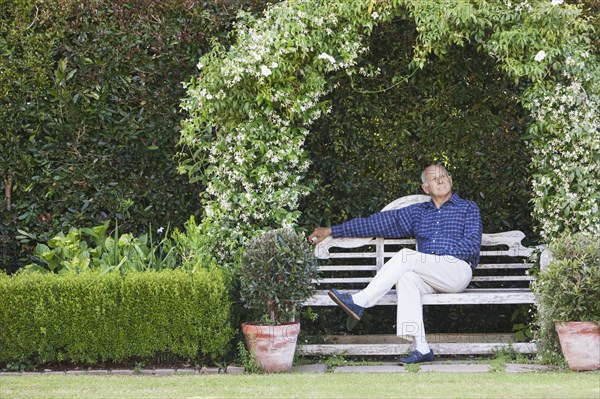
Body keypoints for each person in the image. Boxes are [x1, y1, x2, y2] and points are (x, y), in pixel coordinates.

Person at [308, 164, 482, 364]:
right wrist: (332, 230)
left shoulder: (468, 208)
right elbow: (373, 223)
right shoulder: (418, 212)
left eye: (443, 176)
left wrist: (434, 258)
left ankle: (361, 301)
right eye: (434, 179)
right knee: (407, 278)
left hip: (456, 270)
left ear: (450, 179)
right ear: (425, 188)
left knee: (407, 256)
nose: (441, 180)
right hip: (429, 275)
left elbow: (470, 247)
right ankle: (422, 348)